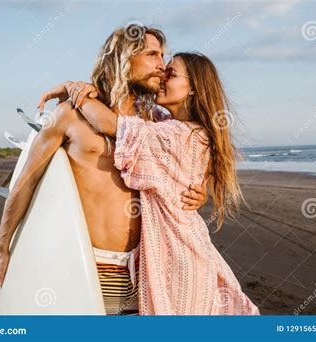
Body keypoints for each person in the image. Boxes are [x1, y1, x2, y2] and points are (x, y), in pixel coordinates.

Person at [0, 25, 207, 316]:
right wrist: (2, 245)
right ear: (124, 57)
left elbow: (187, 167)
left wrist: (200, 192)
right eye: (152, 55)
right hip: (89, 266)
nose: (162, 65)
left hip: (145, 269)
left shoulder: (156, 123)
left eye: (163, 56)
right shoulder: (70, 115)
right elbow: (26, 181)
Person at [49, 51, 260, 315]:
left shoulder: (178, 134)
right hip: (182, 253)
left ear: (193, 89)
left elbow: (111, 124)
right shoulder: (176, 126)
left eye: (170, 74)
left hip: (180, 261)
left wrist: (73, 90)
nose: (162, 77)